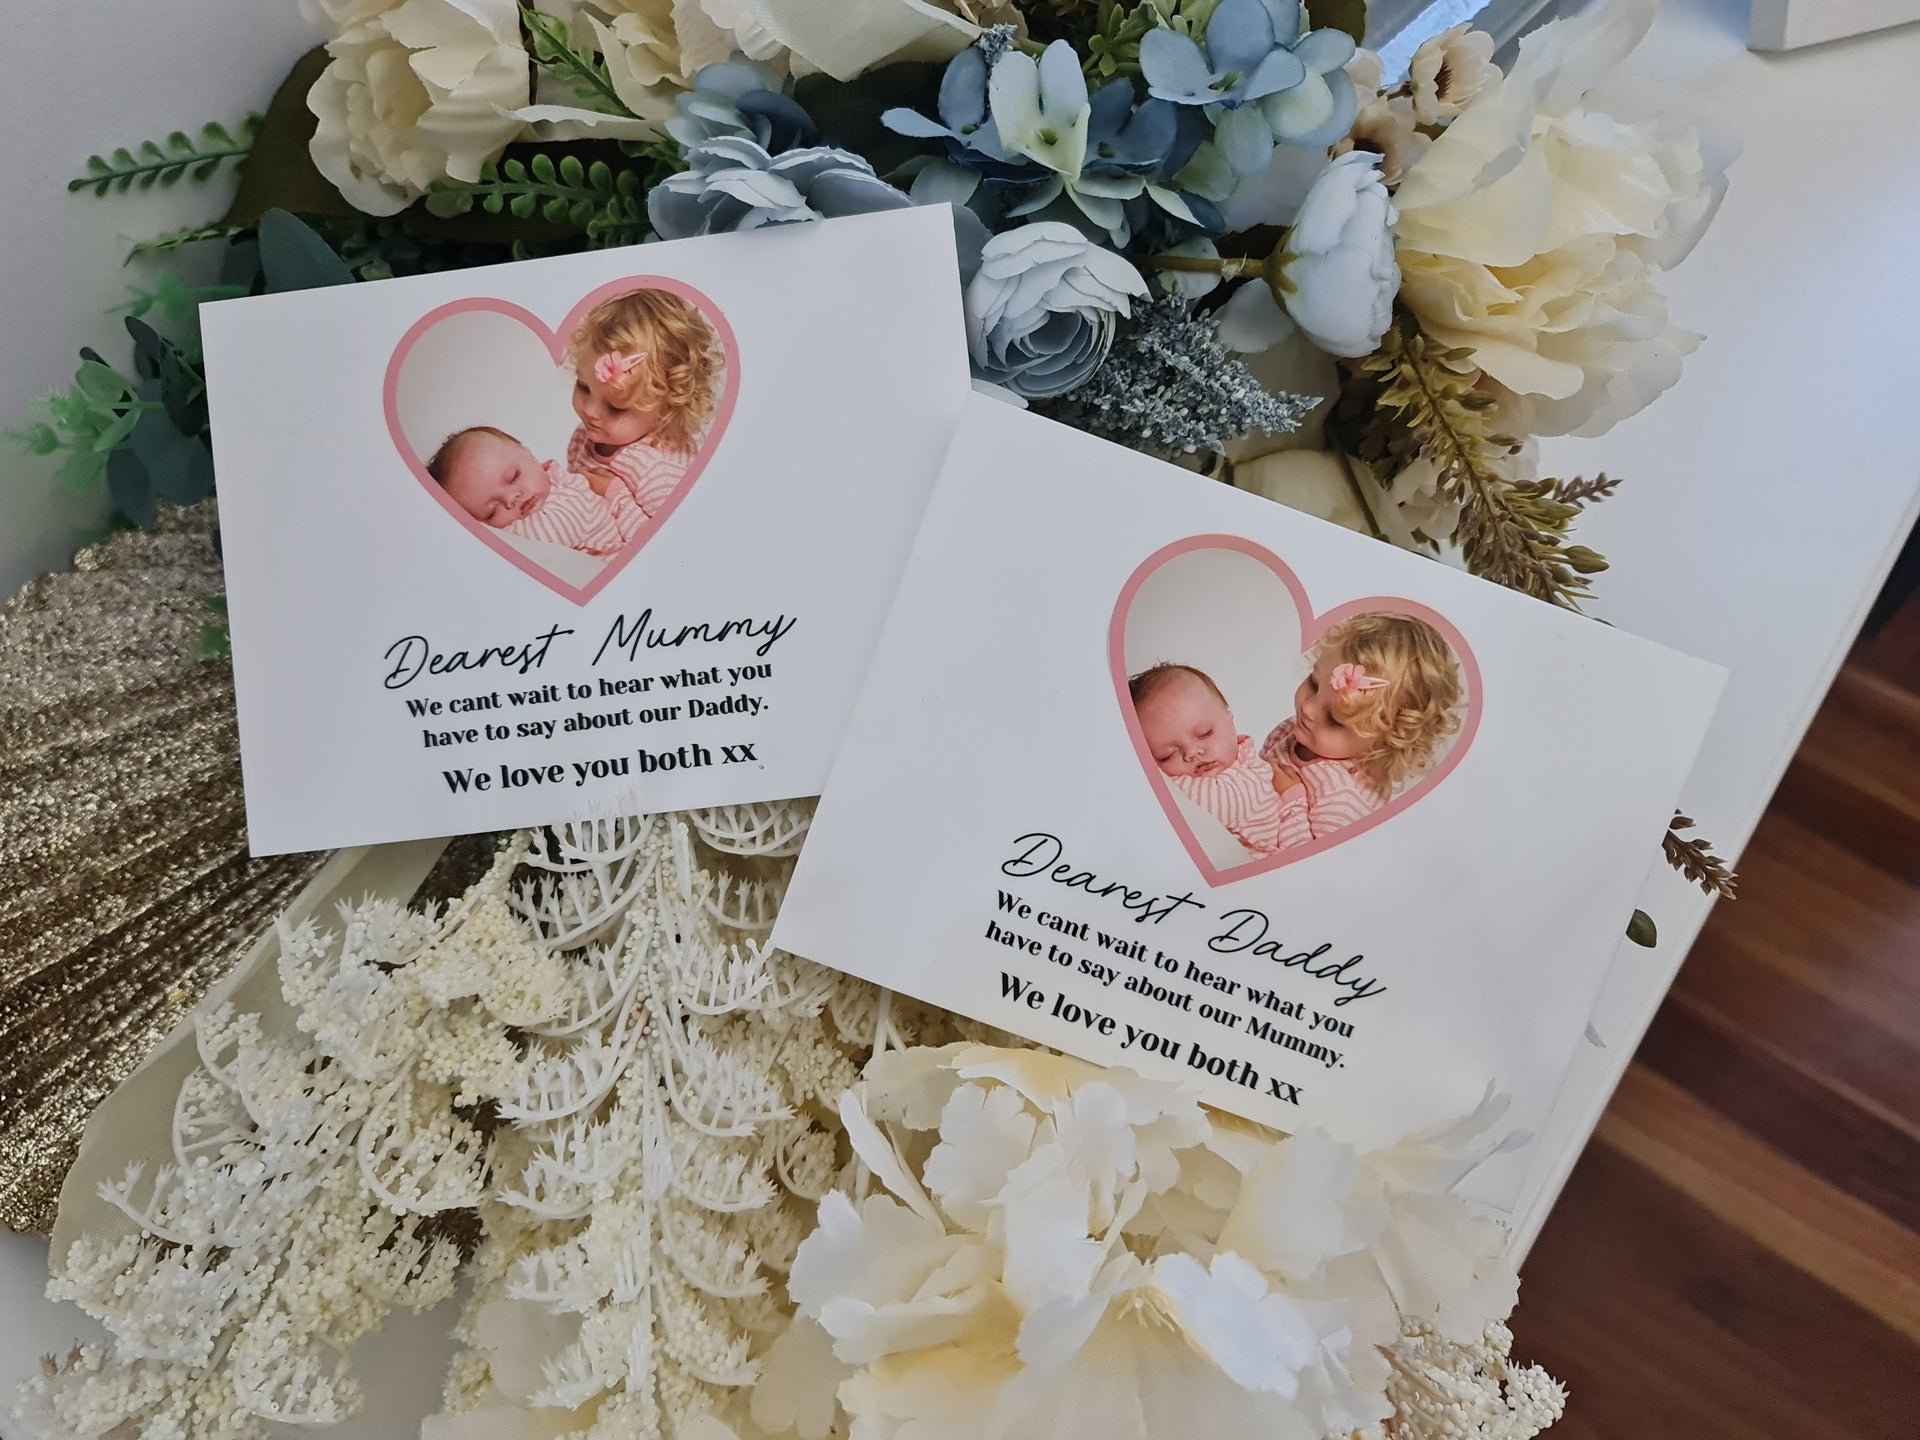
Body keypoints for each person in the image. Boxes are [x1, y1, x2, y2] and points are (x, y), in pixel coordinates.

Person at [1261, 612, 1463, 850]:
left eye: (1334, 720)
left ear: (1384, 744)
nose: (1308, 709)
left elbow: (1312, 867)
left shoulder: (1345, 801)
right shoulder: (1291, 731)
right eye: (1313, 684)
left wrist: (1291, 799)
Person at [564, 288, 724, 522]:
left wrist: (615, 497)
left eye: (616, 408)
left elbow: (674, 535)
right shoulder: (586, 436)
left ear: (667, 409)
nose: (590, 410)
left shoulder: (659, 471)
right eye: (583, 386)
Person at [1130, 662, 1285, 857]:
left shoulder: (1248, 767)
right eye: (1168, 754)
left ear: (1230, 720)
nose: (1192, 752)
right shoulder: (1185, 787)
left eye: (1205, 733)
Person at [426, 425, 636, 557]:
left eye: (513, 477)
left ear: (529, 454)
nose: (512, 498)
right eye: (492, 512)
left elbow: (544, 537)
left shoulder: (567, 496)